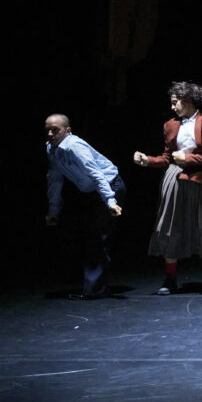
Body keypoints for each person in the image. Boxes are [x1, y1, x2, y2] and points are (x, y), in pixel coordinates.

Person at [133, 81, 202, 296]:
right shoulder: (170, 125)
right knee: (170, 228)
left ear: (187, 100)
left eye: (175, 102)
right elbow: (167, 158)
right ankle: (170, 279)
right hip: (175, 177)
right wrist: (148, 161)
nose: (173, 107)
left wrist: (188, 158)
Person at [45, 114, 125, 300]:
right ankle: (93, 287)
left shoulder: (75, 146)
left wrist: (111, 202)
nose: (50, 133)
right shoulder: (51, 148)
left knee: (98, 236)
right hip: (91, 191)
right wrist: (53, 211)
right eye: (47, 130)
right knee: (88, 234)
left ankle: (95, 290)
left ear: (68, 131)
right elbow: (55, 180)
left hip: (109, 186)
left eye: (55, 130)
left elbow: (96, 174)